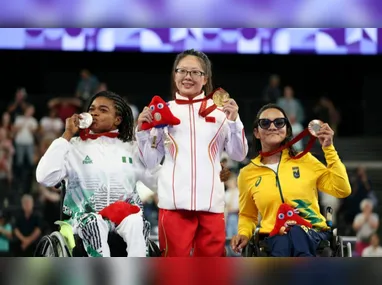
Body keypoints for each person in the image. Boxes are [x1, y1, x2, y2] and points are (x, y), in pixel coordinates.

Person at [136, 49, 248, 257]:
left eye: (195, 72)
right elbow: (151, 162)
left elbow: (239, 154)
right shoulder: (163, 111)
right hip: (173, 206)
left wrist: (234, 121)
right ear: (175, 75)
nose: (187, 77)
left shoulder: (220, 112)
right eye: (182, 71)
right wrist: (143, 132)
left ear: (205, 78)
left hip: (212, 207)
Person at [36, 90, 158, 257]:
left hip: (123, 216)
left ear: (118, 119)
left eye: (103, 110)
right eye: (92, 109)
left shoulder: (132, 148)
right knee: (93, 222)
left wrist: (152, 139)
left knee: (136, 220)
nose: (94, 113)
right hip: (84, 218)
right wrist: (67, 135)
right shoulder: (73, 146)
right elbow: (44, 177)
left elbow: (157, 182)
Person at [230, 103, 351, 257]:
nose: (272, 127)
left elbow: (342, 189)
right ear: (256, 132)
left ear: (286, 129)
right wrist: (244, 234)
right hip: (273, 237)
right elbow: (248, 215)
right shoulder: (247, 174)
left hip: (312, 233)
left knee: (296, 231)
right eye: (265, 123)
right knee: (283, 238)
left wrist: (329, 149)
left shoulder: (305, 160)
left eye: (279, 122)